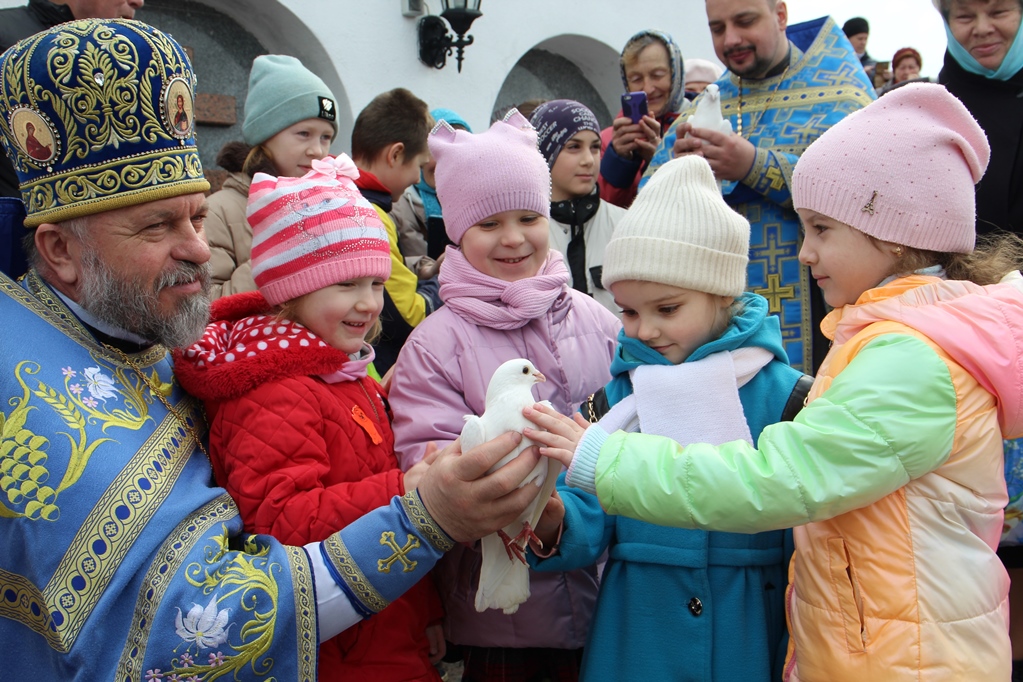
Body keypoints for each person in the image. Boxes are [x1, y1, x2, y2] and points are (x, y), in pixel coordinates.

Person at [0, 19, 551, 680]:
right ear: (60, 250)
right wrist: (422, 516)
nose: (200, 250)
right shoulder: (23, 386)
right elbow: (183, 631)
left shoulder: (154, 329)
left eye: (198, 218)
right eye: (157, 225)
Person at [528, 83, 1023, 681]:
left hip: (900, 655)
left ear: (890, 231)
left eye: (819, 228)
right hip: (860, 643)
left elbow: (778, 483)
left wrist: (598, 456)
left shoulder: (902, 362)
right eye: (630, 312)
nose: (804, 252)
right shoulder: (886, 344)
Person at [526, 155, 805, 681]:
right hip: (638, 633)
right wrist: (549, 515)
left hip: (749, 627)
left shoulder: (786, 398)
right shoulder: (616, 398)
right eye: (629, 311)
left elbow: (806, 541)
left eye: (667, 309)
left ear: (723, 294)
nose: (644, 330)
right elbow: (590, 514)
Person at [175, 154, 445, 681]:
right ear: (291, 292)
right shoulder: (273, 390)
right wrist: (406, 493)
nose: (369, 304)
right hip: (333, 644)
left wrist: (426, 613)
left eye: (375, 283)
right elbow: (279, 521)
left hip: (386, 620)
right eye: (345, 285)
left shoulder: (342, 370)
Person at [388, 111, 621, 682]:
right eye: (489, 223)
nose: (514, 238)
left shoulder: (597, 320)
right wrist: (540, 517)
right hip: (508, 621)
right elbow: (433, 462)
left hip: (615, 603)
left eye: (527, 217)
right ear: (457, 233)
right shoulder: (436, 345)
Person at [647, 0, 875, 374]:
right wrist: (681, 171)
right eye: (717, 28)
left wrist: (753, 165)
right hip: (721, 312)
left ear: (780, 15)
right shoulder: (707, 103)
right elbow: (647, 200)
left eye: (745, 21)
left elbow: (868, 193)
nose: (731, 39)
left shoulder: (840, 93)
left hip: (821, 304)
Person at [934, 1, 1023, 676]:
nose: (981, 28)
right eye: (963, 14)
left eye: (998, 9)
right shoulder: (936, 103)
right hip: (967, 330)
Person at [205, 54, 338, 300]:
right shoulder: (218, 211)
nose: (317, 150)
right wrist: (276, 248)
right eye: (303, 133)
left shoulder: (331, 204)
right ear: (264, 134)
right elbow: (205, 308)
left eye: (326, 137)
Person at [351, 88, 440, 374]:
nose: (417, 177)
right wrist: (444, 279)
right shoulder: (368, 215)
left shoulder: (340, 195)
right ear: (396, 154)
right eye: (419, 165)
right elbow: (409, 316)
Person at [530, 99, 626, 315]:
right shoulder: (524, 231)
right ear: (543, 151)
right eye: (573, 147)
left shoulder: (628, 224)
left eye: (594, 147)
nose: (588, 160)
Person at [598, 30, 686, 208]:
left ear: (675, 75)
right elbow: (603, 210)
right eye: (636, 79)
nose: (647, 88)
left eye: (657, 75)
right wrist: (619, 160)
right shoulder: (609, 140)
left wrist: (659, 159)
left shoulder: (696, 129)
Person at [391, 107, 472, 279]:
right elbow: (395, 267)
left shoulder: (480, 201)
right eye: (436, 150)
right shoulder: (399, 203)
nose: (447, 160)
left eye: (456, 149)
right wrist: (431, 268)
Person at [842, 16, 877, 80]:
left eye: (865, 39)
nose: (863, 42)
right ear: (847, 39)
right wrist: (861, 74)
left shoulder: (873, 65)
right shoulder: (838, 62)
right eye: (860, 39)